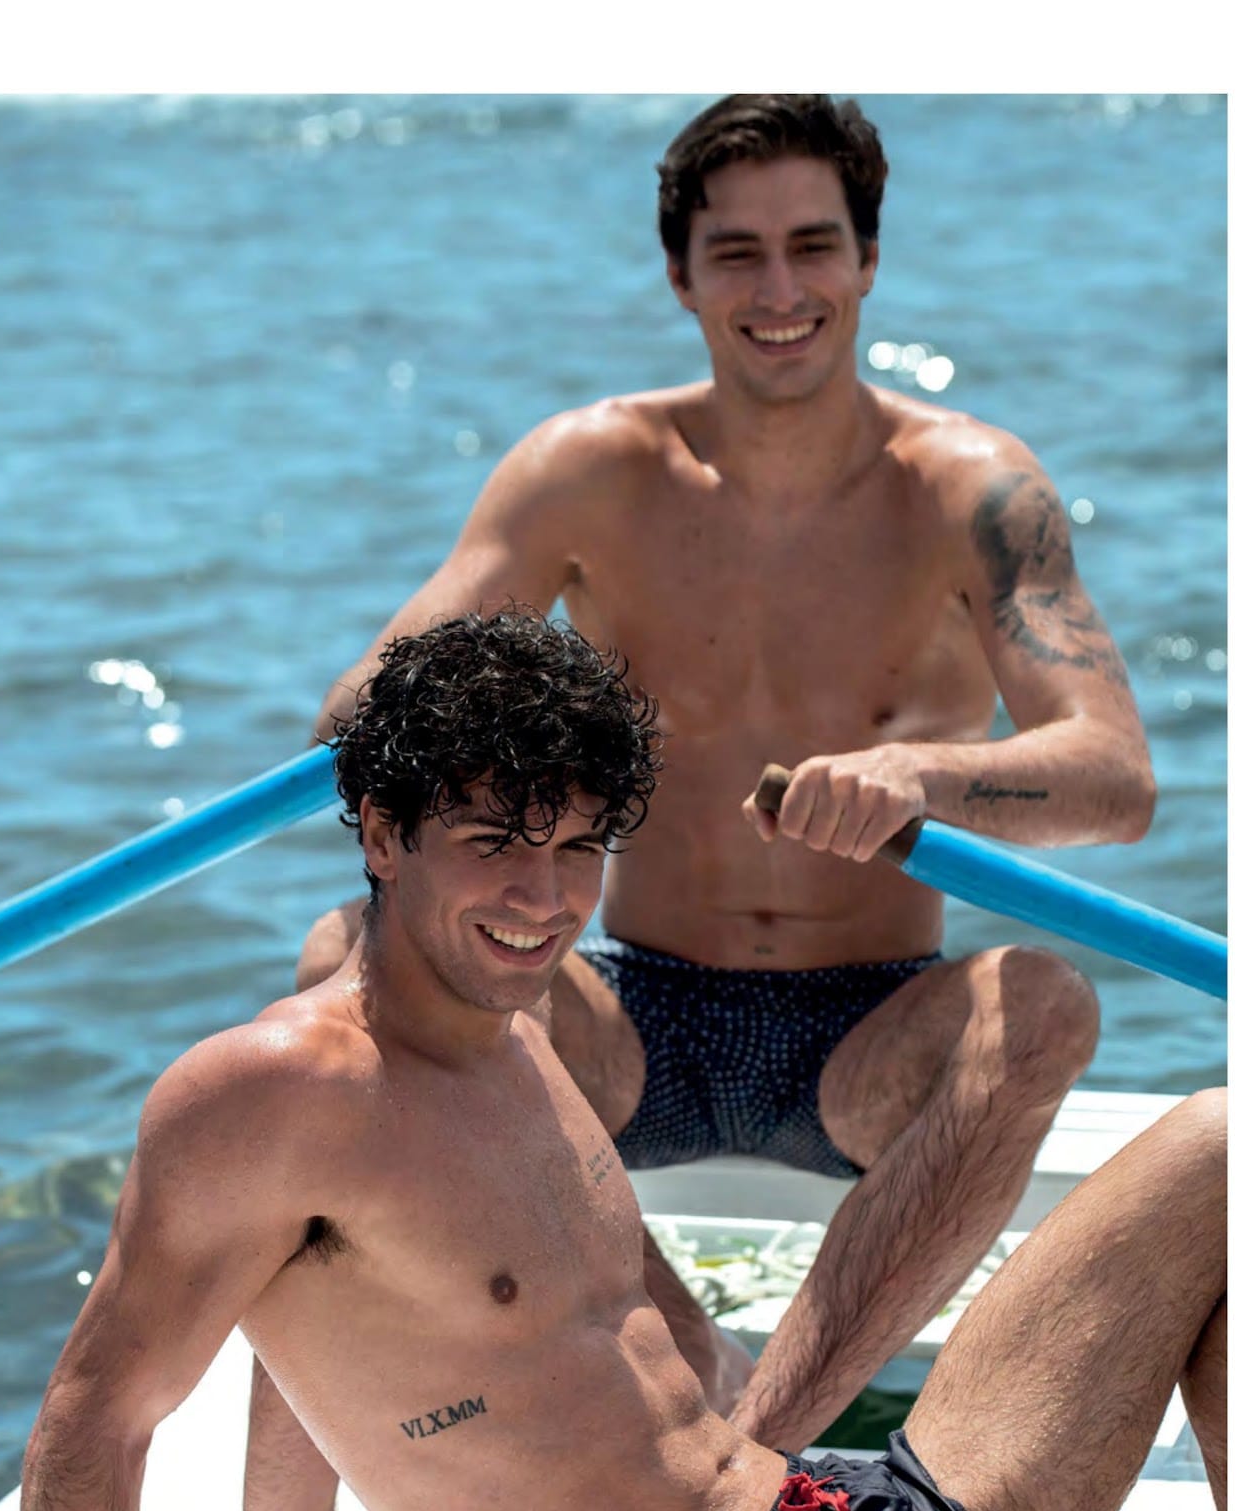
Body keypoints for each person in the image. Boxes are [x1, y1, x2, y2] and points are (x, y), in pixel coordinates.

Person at [0, 615, 1223, 1511]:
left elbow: (316, 1330)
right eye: (492, 841)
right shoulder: (274, 1093)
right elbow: (96, 1417)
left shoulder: (517, 1034)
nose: (543, 895)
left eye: (577, 847)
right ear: (385, 835)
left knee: (1227, 1143)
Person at [291, 92, 1155, 1438]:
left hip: (866, 1031)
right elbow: (360, 716)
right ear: (680, 275)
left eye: (812, 246)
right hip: (634, 1015)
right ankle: (691, 1371)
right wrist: (479, 721)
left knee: (1043, 1004)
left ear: (867, 261)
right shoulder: (586, 470)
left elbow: (1113, 776)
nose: (779, 290)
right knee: (348, 948)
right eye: (736, 253)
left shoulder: (972, 488)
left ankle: (765, 1440)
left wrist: (918, 776)